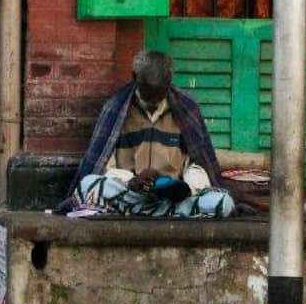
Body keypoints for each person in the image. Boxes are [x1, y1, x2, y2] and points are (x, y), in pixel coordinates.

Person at [62, 50, 236, 217]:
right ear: (135, 78)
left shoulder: (187, 108)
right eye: (148, 92)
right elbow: (105, 165)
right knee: (87, 186)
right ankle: (162, 213)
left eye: (160, 93)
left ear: (169, 82)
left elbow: (198, 164)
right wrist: (131, 181)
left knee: (223, 201)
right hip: (130, 195)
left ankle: (156, 211)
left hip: (174, 199)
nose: (154, 100)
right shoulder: (115, 108)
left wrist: (186, 188)